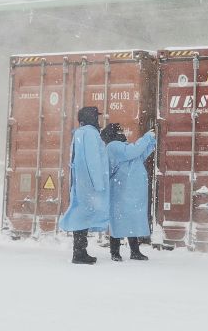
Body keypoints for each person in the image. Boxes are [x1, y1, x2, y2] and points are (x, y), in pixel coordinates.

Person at [59, 106, 110, 265]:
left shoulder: (79, 133)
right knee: (83, 215)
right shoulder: (91, 134)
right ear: (92, 118)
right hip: (89, 183)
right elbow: (94, 160)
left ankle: (79, 251)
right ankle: (79, 253)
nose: (98, 120)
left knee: (80, 214)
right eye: (96, 117)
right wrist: (99, 183)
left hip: (80, 182)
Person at [101, 123, 157, 261]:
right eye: (119, 131)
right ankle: (115, 253)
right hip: (121, 191)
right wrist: (146, 137)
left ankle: (134, 252)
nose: (122, 133)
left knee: (130, 220)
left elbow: (140, 154)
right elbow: (133, 151)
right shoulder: (113, 147)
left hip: (129, 191)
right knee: (119, 221)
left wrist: (151, 141)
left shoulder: (124, 147)